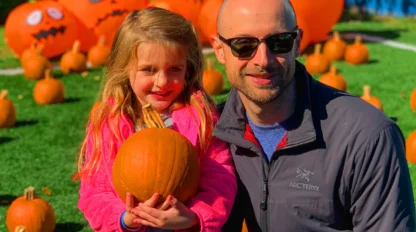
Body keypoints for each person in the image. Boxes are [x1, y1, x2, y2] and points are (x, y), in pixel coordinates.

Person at [210, 0, 416, 231]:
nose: (262, 60)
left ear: (297, 43)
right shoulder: (208, 132)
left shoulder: (367, 136)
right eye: (244, 45)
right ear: (219, 50)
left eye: (279, 42)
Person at [76, 7, 237, 232]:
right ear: (125, 69)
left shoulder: (200, 118)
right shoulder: (111, 124)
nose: (162, 82)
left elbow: (220, 177)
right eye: (149, 70)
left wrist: (194, 216)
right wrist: (123, 219)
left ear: (187, 70)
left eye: (174, 69)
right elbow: (95, 191)